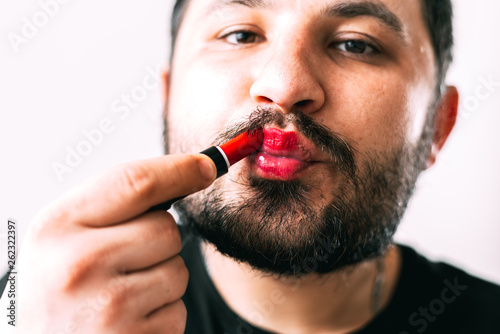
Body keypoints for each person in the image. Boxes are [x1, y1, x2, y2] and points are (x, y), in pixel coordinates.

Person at [3, 0, 500, 333]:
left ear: (437, 125)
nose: (284, 84)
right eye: (240, 34)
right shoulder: (44, 314)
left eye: (355, 43)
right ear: (166, 98)